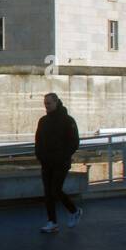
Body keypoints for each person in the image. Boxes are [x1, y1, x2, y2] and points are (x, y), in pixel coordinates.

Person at [35, 93, 82, 233]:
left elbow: (74, 142)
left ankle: (74, 210)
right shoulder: (43, 121)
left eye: (48, 103)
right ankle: (52, 222)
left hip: (61, 162)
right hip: (46, 162)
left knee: (55, 189)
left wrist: (63, 156)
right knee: (48, 192)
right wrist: (40, 155)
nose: (46, 106)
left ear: (56, 102)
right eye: (45, 103)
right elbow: (38, 141)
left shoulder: (68, 120)